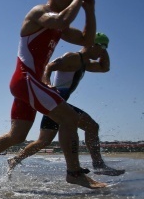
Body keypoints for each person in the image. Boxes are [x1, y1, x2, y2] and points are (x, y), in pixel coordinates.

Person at [0, 0, 106, 189]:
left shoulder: (60, 26)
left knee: (17, 135)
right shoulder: (39, 12)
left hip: (26, 84)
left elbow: (86, 40)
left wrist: (89, 9)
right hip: (26, 80)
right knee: (69, 119)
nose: (72, 1)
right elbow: (62, 19)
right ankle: (74, 173)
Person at [8, 33, 124, 176]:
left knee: (43, 141)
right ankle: (97, 165)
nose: (102, 52)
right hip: (56, 101)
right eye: (100, 48)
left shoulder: (84, 63)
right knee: (92, 126)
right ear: (91, 45)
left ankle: (15, 159)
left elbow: (104, 67)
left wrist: (103, 48)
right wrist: (47, 84)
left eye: (105, 49)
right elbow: (49, 66)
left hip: (57, 103)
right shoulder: (73, 57)